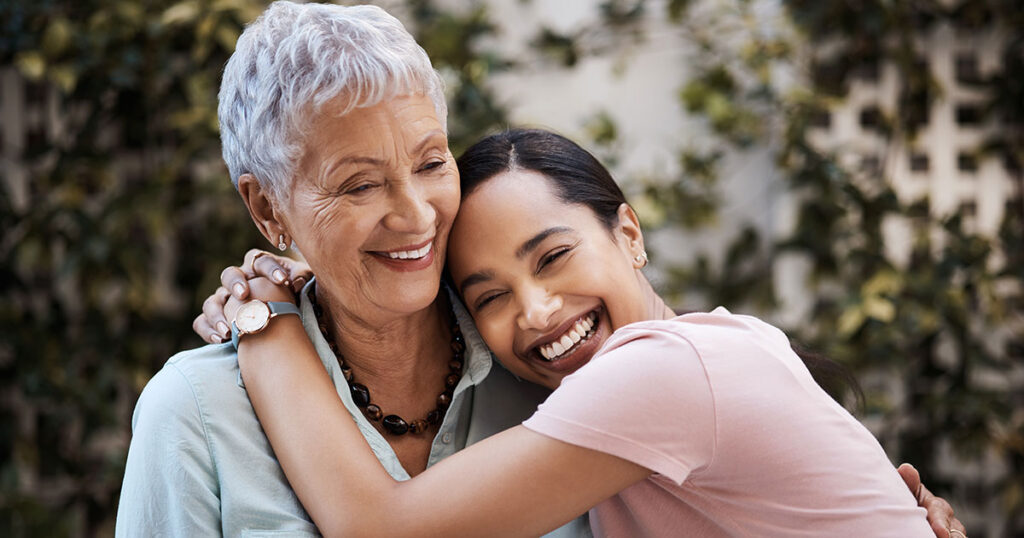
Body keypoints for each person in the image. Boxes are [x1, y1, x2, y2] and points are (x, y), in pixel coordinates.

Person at [202, 129, 969, 537]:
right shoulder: (712, 351)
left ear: (628, 233)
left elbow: (379, 529)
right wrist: (327, 280)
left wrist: (265, 321)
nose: (537, 311)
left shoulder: (663, 375)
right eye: (491, 296)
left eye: (553, 257)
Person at [115, 3, 584, 536]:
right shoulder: (194, 413)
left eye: (432, 163)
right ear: (267, 209)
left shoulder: (545, 357)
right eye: (359, 185)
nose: (417, 216)